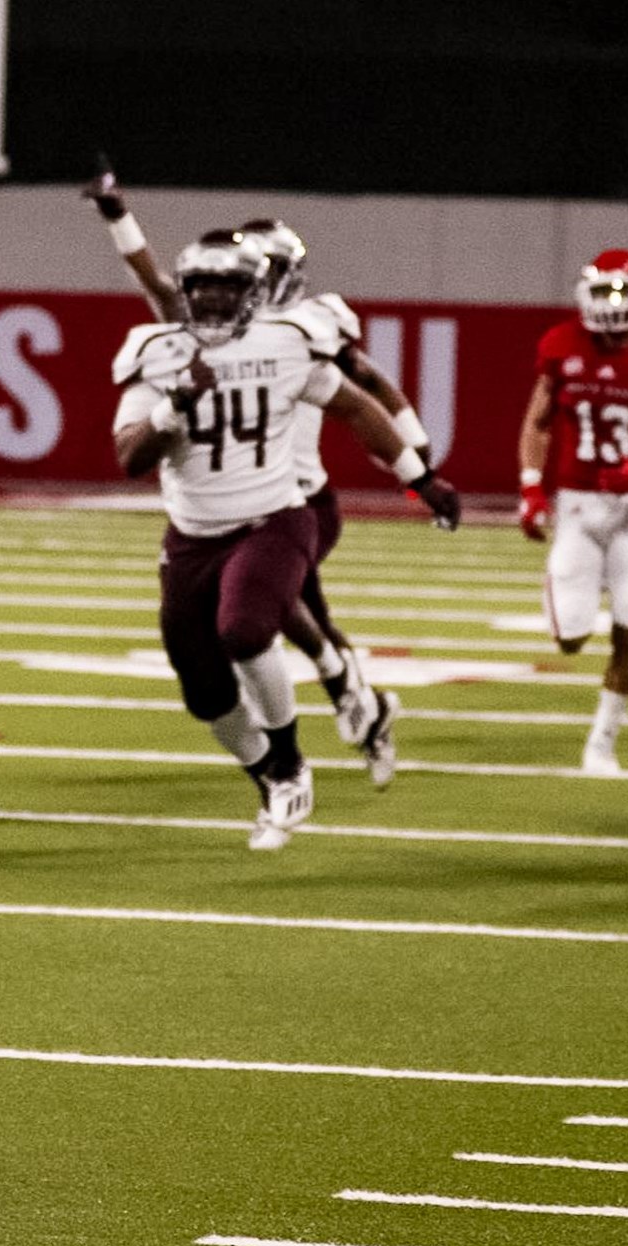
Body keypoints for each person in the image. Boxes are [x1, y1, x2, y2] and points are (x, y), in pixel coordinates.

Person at [110, 232, 457, 849]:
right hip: (192, 538)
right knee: (205, 694)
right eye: (202, 288)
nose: (213, 300)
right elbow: (130, 457)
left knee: (246, 630)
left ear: (251, 293)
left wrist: (420, 477)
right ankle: (272, 772)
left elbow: (357, 405)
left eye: (227, 288)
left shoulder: (289, 341)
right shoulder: (156, 352)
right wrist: (176, 405)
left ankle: (293, 759)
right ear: (185, 294)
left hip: (276, 517)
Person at [85, 170, 421, 784]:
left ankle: (344, 702)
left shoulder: (308, 327)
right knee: (276, 614)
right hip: (234, 503)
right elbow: (155, 283)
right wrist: (117, 218)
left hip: (296, 499)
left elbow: (366, 390)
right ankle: (355, 698)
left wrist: (417, 462)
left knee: (264, 614)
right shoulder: (195, 328)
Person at [516, 250, 628, 775]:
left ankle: (602, 741)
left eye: (621, 292)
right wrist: (531, 488)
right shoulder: (562, 344)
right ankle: (587, 581)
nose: (611, 304)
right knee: (570, 639)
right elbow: (538, 421)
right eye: (602, 292)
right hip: (576, 505)